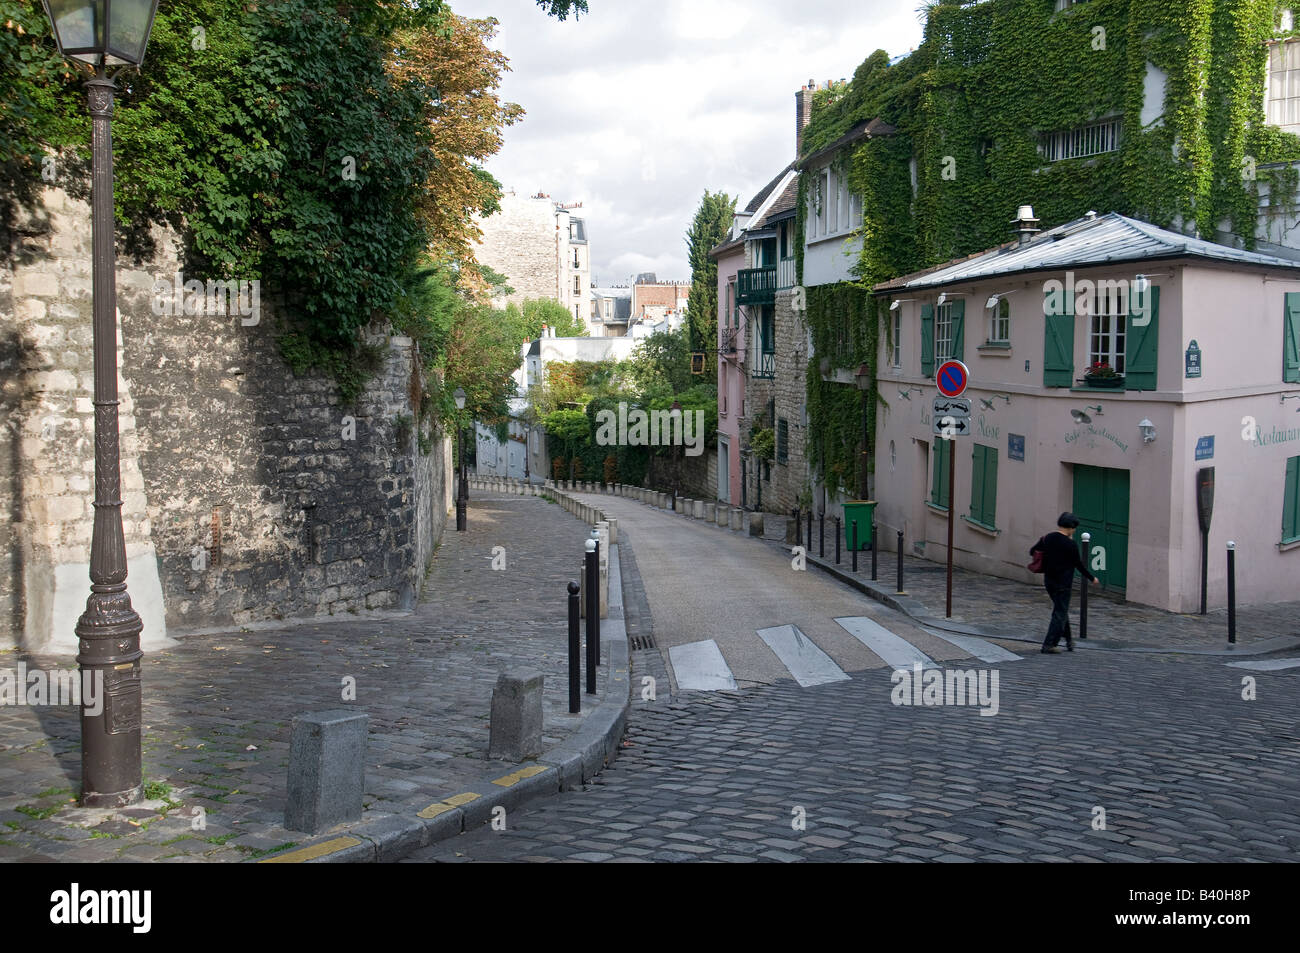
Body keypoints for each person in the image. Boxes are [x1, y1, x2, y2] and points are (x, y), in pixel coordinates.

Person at [1030, 512, 1098, 654]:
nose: (1074, 530)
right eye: (1074, 528)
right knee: (1059, 613)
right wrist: (1092, 578)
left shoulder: (1047, 538)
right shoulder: (1070, 544)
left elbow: (1032, 551)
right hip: (1063, 583)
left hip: (1049, 580)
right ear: (1071, 527)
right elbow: (1078, 564)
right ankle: (1049, 644)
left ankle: (1069, 641)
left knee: (1061, 611)